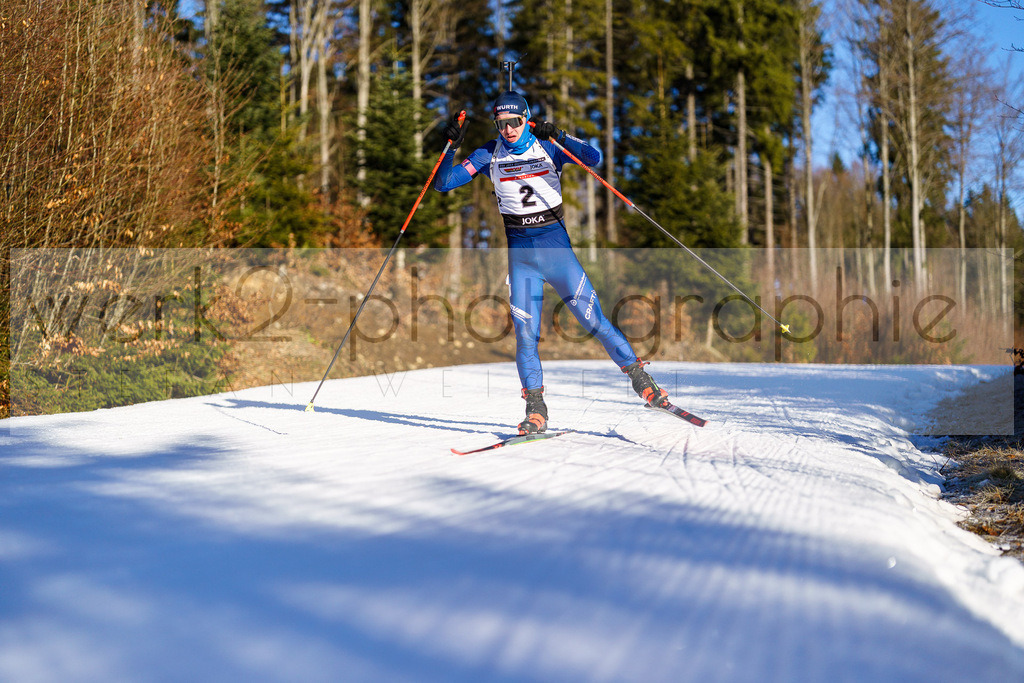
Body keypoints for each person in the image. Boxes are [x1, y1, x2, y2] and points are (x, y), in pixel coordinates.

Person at [434, 91, 671, 435]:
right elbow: (444, 183)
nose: (509, 130)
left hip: (559, 258)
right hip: (523, 261)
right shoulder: (488, 153)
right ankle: (535, 410)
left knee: (596, 323)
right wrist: (450, 147)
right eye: (502, 124)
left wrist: (558, 134)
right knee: (525, 336)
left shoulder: (548, 146)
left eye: (515, 122)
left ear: (526, 119)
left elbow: (594, 157)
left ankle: (642, 381)